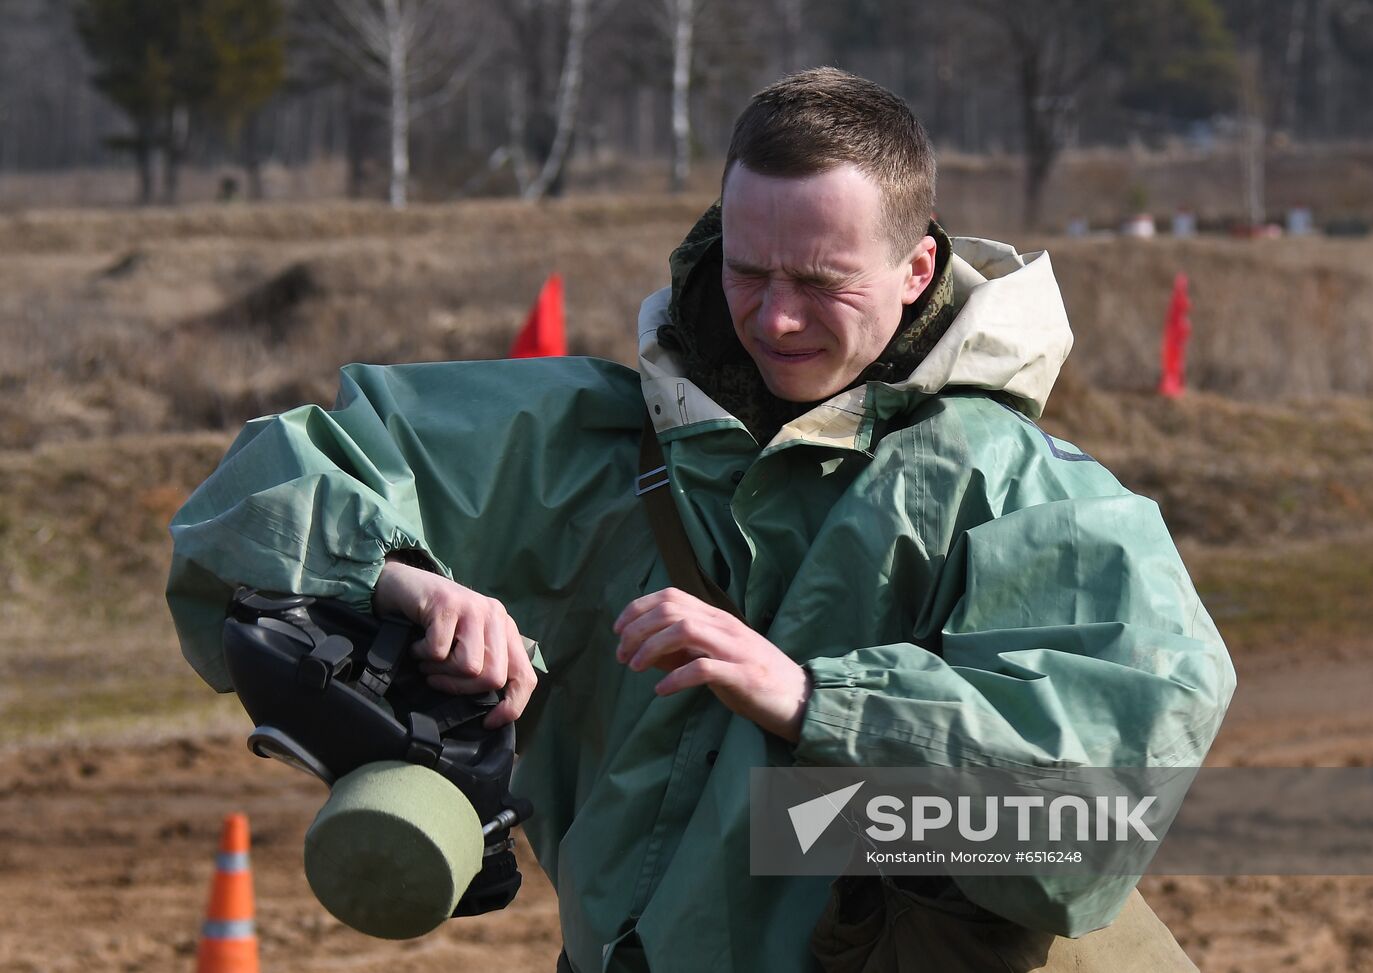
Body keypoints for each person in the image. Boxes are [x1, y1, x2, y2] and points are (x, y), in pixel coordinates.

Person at [168, 68, 1234, 972]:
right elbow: (268, 482)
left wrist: (815, 698)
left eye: (819, 281)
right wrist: (406, 575)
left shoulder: (1022, 496)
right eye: (748, 270)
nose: (774, 317)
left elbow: (1080, 822)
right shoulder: (590, 439)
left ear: (915, 271)